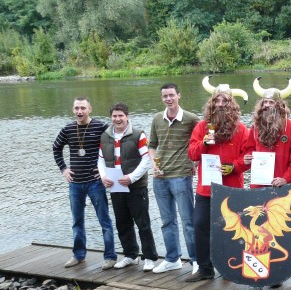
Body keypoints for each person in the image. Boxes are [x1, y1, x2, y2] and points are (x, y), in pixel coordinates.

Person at [185, 77, 249, 282]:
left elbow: (248, 158)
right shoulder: (202, 126)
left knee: (233, 229)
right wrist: (204, 143)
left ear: (232, 104)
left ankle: (231, 268)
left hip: (231, 188)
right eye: (217, 101)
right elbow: (192, 155)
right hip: (206, 188)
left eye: (225, 102)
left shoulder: (241, 129)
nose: (220, 105)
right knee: (200, 225)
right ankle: (205, 269)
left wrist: (234, 167)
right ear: (212, 104)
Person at [53, 96, 117, 270]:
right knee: (77, 221)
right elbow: (56, 148)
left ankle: (110, 257)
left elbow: (114, 146)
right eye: (76, 108)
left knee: (104, 220)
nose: (79, 111)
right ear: (73, 110)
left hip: (95, 182)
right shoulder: (68, 129)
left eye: (83, 108)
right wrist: (64, 169)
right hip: (75, 183)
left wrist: (105, 169)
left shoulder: (101, 127)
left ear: (90, 109)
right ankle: (79, 255)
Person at [98, 102, 159, 272]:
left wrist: (131, 178)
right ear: (111, 118)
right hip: (116, 186)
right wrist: (104, 177)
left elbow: (146, 160)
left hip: (136, 186)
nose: (118, 119)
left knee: (143, 223)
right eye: (115, 116)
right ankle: (131, 255)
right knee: (122, 223)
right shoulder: (105, 136)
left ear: (127, 117)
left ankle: (149, 258)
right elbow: (101, 160)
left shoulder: (138, 134)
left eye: (121, 116)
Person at [148, 83, 199, 274]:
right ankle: (172, 259)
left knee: (188, 221)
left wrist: (196, 164)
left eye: (171, 95)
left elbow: (200, 144)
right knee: (167, 221)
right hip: (159, 177)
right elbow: (152, 145)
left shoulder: (191, 119)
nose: (168, 99)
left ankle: (195, 260)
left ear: (179, 95)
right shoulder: (156, 119)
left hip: (181, 176)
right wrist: (153, 162)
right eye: (165, 96)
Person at [243, 77, 291, 188]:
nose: (267, 105)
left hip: (282, 187)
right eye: (265, 102)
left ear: (279, 105)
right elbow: (249, 149)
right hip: (258, 185)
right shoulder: (256, 126)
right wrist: (247, 157)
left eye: (271, 102)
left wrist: (286, 179)